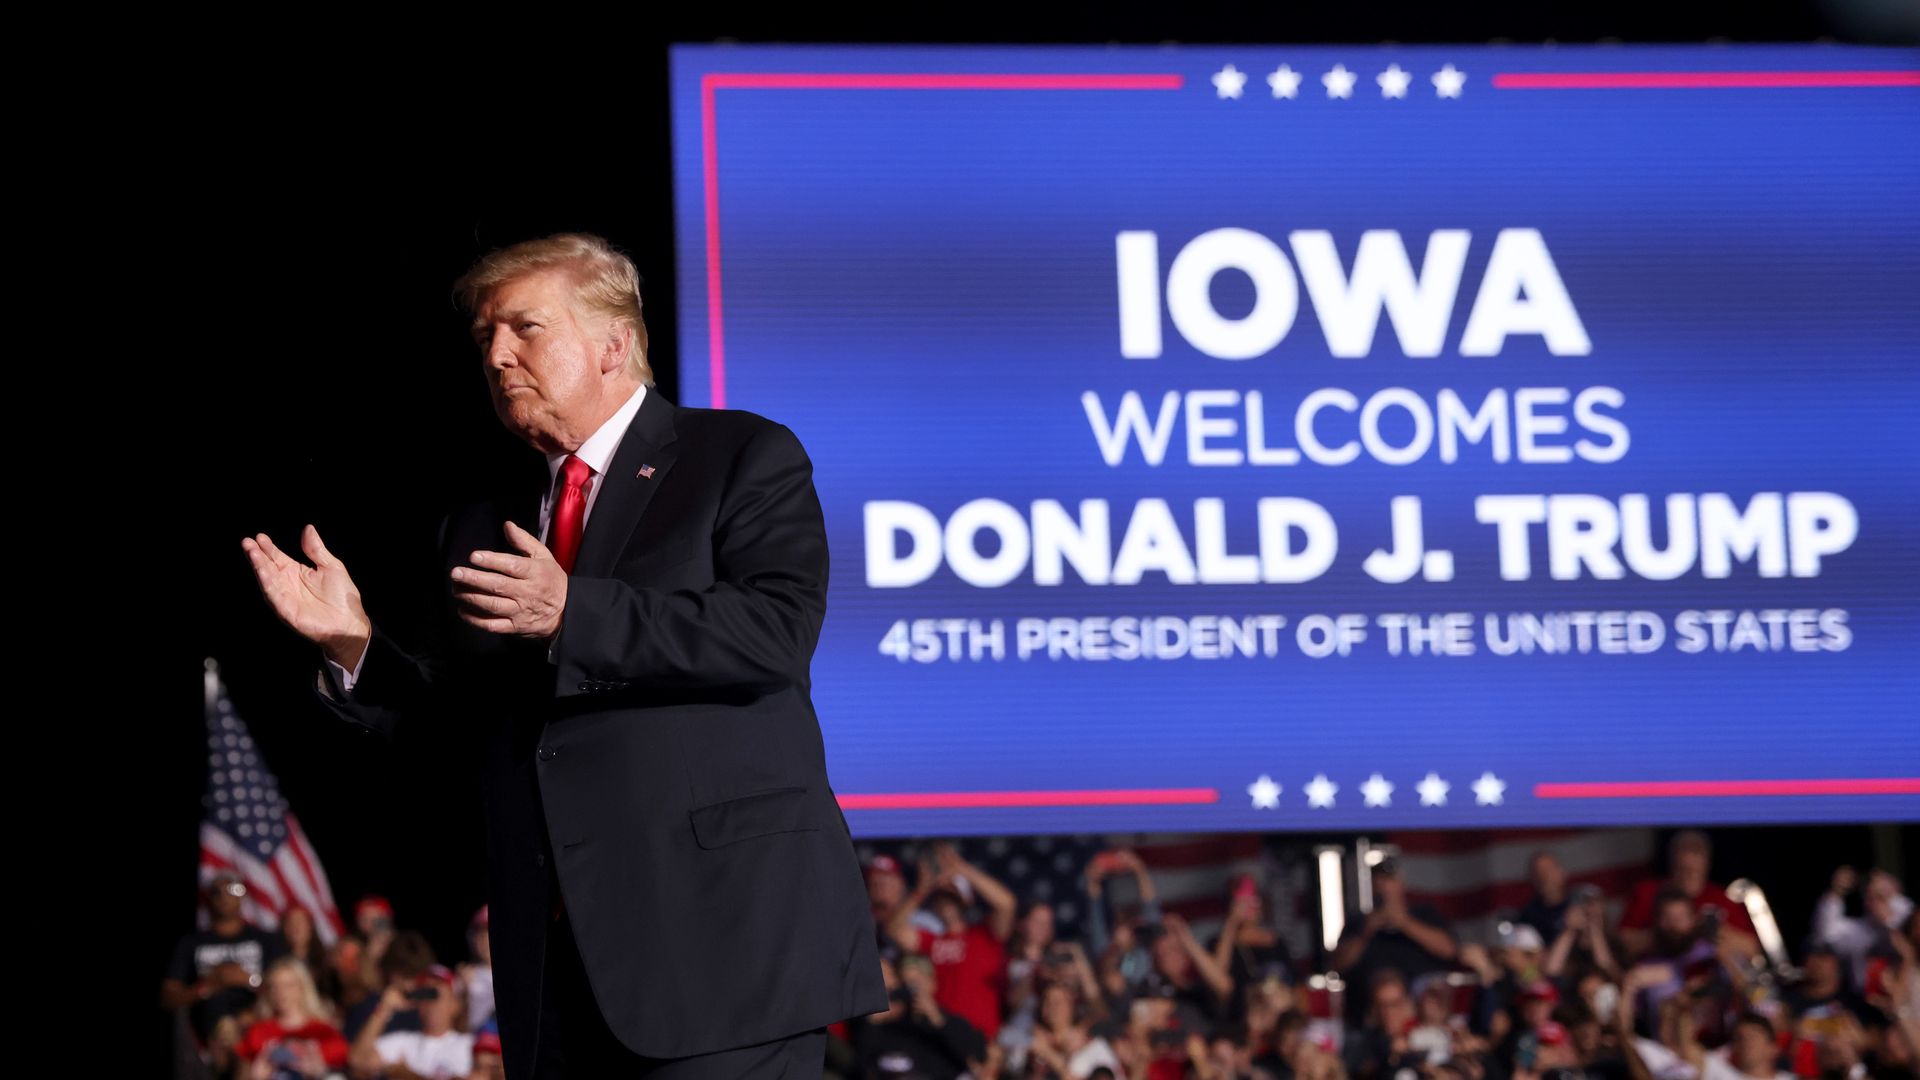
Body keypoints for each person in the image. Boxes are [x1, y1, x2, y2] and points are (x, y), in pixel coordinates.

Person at [243, 232, 887, 1078]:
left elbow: (773, 633)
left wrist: (570, 612)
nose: (498, 355)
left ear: (613, 343)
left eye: (524, 328)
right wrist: (353, 644)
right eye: (485, 339)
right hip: (553, 967)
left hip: (725, 953)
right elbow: (476, 729)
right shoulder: (480, 524)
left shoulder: (740, 457)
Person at [162, 871, 289, 1045]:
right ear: (209, 899)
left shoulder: (266, 940)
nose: (225, 896)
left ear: (243, 895)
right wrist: (207, 985)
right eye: (216, 892)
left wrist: (249, 979)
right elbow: (168, 998)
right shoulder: (191, 943)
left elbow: (290, 988)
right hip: (207, 1034)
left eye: (233, 890)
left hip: (258, 1024)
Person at [235, 956, 351, 1079]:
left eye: (289, 985)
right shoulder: (258, 1032)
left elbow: (345, 1067)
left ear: (302, 988)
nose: (281, 992)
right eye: (275, 986)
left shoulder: (324, 1031)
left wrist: (321, 1072)